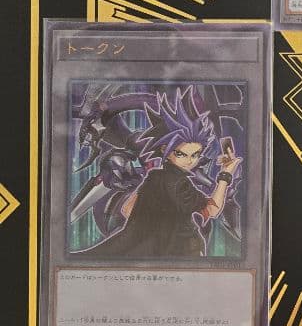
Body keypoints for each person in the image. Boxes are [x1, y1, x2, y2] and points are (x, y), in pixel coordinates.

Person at [81, 87, 241, 258]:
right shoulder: (180, 183)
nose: (189, 161)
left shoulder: (153, 176)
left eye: (195, 155)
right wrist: (225, 175)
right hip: (184, 251)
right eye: (181, 154)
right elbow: (212, 210)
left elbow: (127, 209)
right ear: (165, 149)